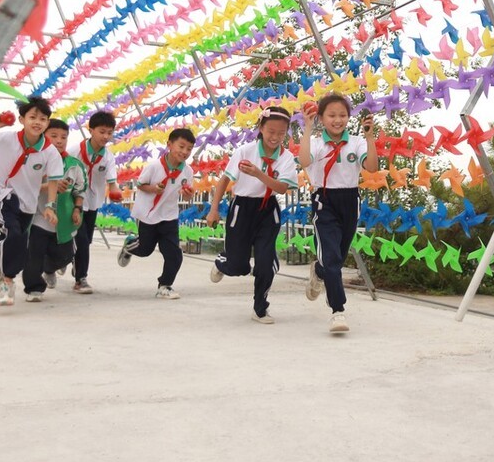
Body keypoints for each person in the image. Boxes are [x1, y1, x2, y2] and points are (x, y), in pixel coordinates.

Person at [205, 106, 297, 324]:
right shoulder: (245, 151)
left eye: (281, 133)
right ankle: (222, 262)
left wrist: (259, 173)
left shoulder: (286, 157)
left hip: (268, 210)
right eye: (271, 131)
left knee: (265, 263)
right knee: (239, 267)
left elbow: (282, 188)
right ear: (261, 128)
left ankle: (260, 308)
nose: (275, 137)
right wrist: (214, 209)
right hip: (242, 209)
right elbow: (225, 180)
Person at [298, 94, 378, 333]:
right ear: (321, 117)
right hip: (324, 200)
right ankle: (338, 311)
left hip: (350, 201)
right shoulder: (315, 143)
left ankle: (319, 271)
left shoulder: (356, 142)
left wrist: (370, 137)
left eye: (342, 115)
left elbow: (372, 167)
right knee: (332, 257)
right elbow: (303, 160)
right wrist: (308, 127)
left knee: (337, 257)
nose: (337, 120)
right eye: (331, 115)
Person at [0, 97, 63, 307]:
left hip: (28, 202)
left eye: (43, 119)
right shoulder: (4, 139)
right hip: (4, 195)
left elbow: (53, 180)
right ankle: (8, 283)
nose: (37, 122)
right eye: (32, 117)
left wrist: (50, 206)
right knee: (12, 233)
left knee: (15, 238)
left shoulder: (49, 151)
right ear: (21, 119)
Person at [117, 128, 196, 299]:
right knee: (145, 250)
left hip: (169, 216)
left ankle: (165, 285)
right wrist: (154, 188)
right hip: (148, 214)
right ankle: (129, 245)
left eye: (189, 149)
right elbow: (141, 184)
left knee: (174, 254)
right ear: (169, 145)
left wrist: (188, 195)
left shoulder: (187, 171)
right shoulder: (154, 166)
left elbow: (187, 192)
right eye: (181, 146)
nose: (184, 152)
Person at [22, 119, 87, 303]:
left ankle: (50, 269)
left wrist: (77, 209)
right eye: (54, 136)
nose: (59, 140)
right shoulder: (34, 160)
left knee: (65, 255)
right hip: (39, 217)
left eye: (63, 137)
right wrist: (49, 186)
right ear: (44, 136)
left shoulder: (74, 165)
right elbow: (24, 185)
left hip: (64, 221)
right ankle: (34, 288)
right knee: (34, 254)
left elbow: (80, 189)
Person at [70, 110, 123, 294]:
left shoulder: (108, 157)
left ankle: (73, 266)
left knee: (86, 241)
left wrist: (115, 190)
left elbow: (112, 180)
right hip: (73, 202)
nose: (106, 136)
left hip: (93, 202)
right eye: (102, 131)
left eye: (109, 132)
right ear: (90, 130)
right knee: (81, 240)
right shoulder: (74, 151)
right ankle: (80, 279)